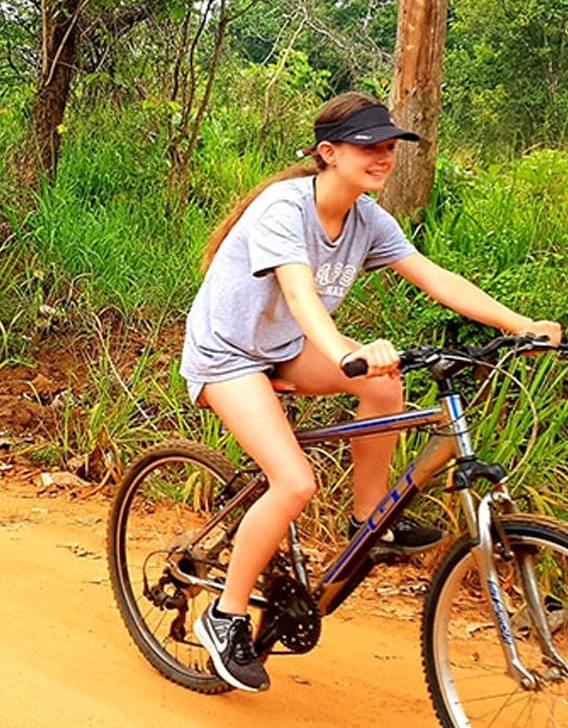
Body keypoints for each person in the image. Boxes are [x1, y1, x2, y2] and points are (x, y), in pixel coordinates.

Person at [179, 92, 563, 693]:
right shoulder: (284, 209)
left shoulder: (367, 217)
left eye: (389, 147)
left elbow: (435, 276)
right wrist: (345, 354)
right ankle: (225, 618)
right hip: (227, 355)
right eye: (370, 146)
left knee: (388, 385)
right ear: (328, 153)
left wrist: (521, 325)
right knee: (295, 481)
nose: (383, 157)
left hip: (281, 348)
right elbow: (301, 296)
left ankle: (370, 516)